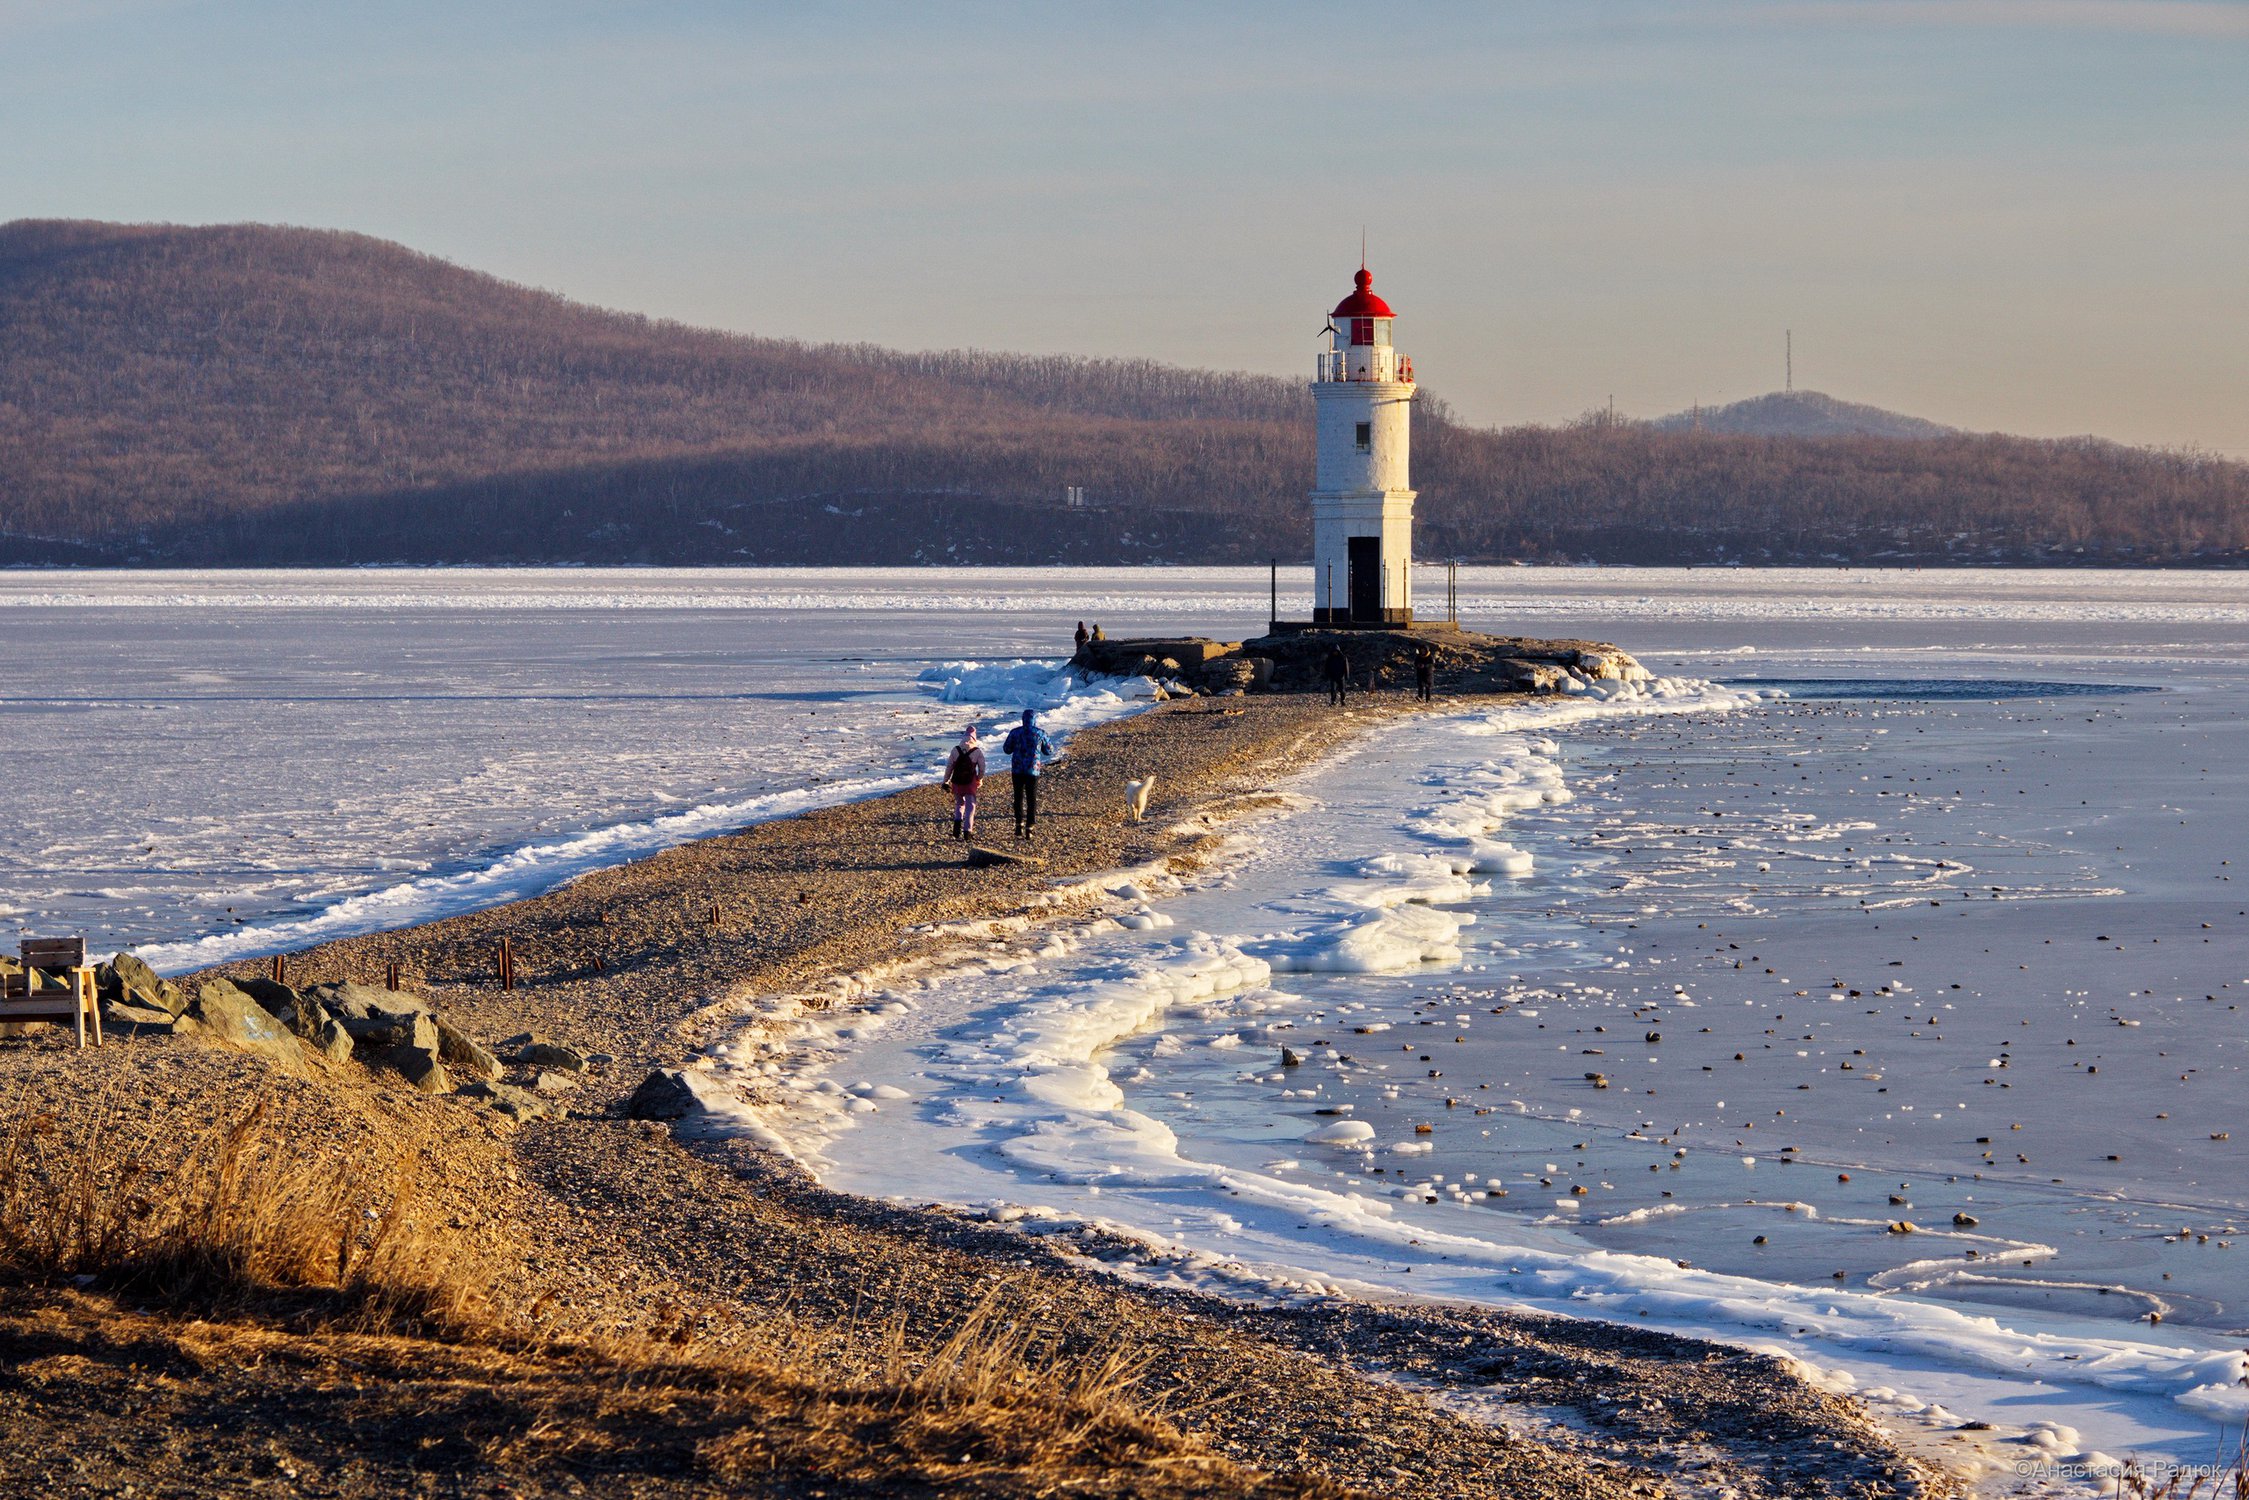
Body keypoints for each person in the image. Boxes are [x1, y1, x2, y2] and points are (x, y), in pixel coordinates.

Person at [1001, 708, 1057, 839]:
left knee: (1018, 796)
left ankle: (1018, 823)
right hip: (1033, 769)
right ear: (1035, 720)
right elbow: (1049, 751)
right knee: (1031, 798)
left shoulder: (1015, 733)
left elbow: (1006, 749)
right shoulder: (1040, 733)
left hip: (1017, 769)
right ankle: (1030, 826)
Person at [942, 724, 985, 839]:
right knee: (970, 806)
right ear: (974, 738)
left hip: (956, 782)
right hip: (970, 783)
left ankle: (956, 828)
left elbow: (949, 767)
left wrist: (945, 781)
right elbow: (982, 768)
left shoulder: (955, 750)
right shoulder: (977, 751)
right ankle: (967, 831)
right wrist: (979, 779)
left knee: (959, 803)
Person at [1324, 643, 1351, 707]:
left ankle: (1343, 700)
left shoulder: (1343, 658)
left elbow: (1346, 667)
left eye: (1336, 651)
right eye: (1334, 651)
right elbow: (1326, 667)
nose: (1335, 653)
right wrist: (1327, 675)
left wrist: (1347, 676)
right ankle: (1333, 701)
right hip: (1333, 677)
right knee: (1333, 689)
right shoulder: (1329, 659)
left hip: (1341, 677)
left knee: (1342, 690)